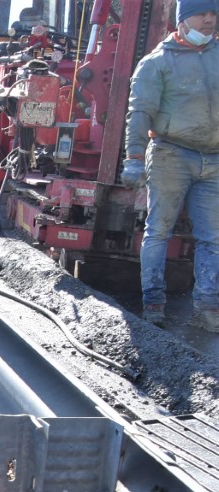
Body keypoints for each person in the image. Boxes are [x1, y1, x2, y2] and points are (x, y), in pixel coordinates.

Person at [123, 0, 219, 331]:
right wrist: (134, 158)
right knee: (159, 231)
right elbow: (139, 113)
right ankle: (154, 302)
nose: (209, 20)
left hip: (214, 159)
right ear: (182, 20)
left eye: (213, 14)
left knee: (213, 238)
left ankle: (209, 307)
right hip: (170, 155)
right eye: (201, 14)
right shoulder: (157, 63)